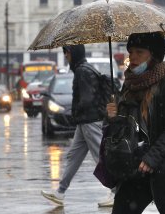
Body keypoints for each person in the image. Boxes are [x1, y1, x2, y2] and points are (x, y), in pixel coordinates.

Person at [106, 32, 165, 214]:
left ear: (153, 56)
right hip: (135, 168)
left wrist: (152, 157)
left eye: (139, 52)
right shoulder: (127, 87)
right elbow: (121, 132)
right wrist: (113, 117)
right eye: (130, 51)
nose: (132, 57)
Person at [41, 44, 114, 207]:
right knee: (73, 156)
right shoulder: (84, 69)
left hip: (90, 120)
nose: (65, 56)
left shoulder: (83, 71)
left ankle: (116, 192)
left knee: (101, 157)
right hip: (85, 122)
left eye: (66, 52)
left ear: (73, 53)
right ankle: (60, 192)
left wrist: (74, 112)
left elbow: (87, 99)